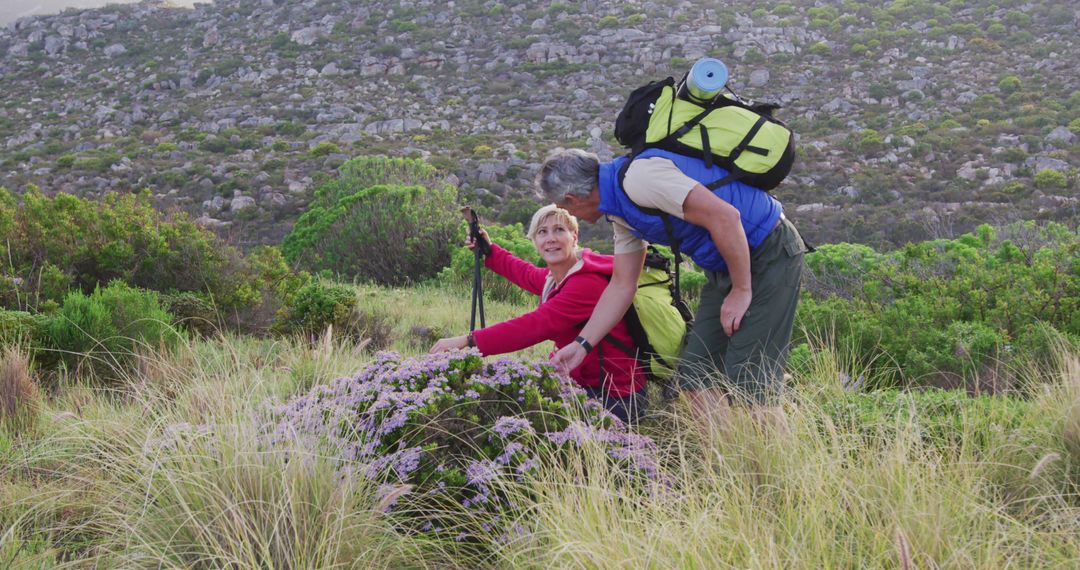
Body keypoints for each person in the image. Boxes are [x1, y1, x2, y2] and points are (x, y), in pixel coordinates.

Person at [538, 148, 806, 425]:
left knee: (750, 379)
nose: (570, 214)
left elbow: (726, 217)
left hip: (767, 251)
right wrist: (582, 344)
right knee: (694, 377)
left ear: (571, 199)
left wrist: (740, 289)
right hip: (725, 266)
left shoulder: (639, 180)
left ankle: (779, 465)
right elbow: (622, 285)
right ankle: (730, 460)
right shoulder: (620, 213)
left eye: (565, 208)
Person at [430, 205, 648, 423]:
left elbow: (535, 326)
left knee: (519, 418)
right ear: (534, 241)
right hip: (585, 385)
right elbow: (527, 274)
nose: (550, 238)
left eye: (559, 230)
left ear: (574, 236)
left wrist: (468, 341)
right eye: (542, 232)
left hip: (616, 398)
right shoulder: (557, 277)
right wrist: (491, 251)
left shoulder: (586, 283)